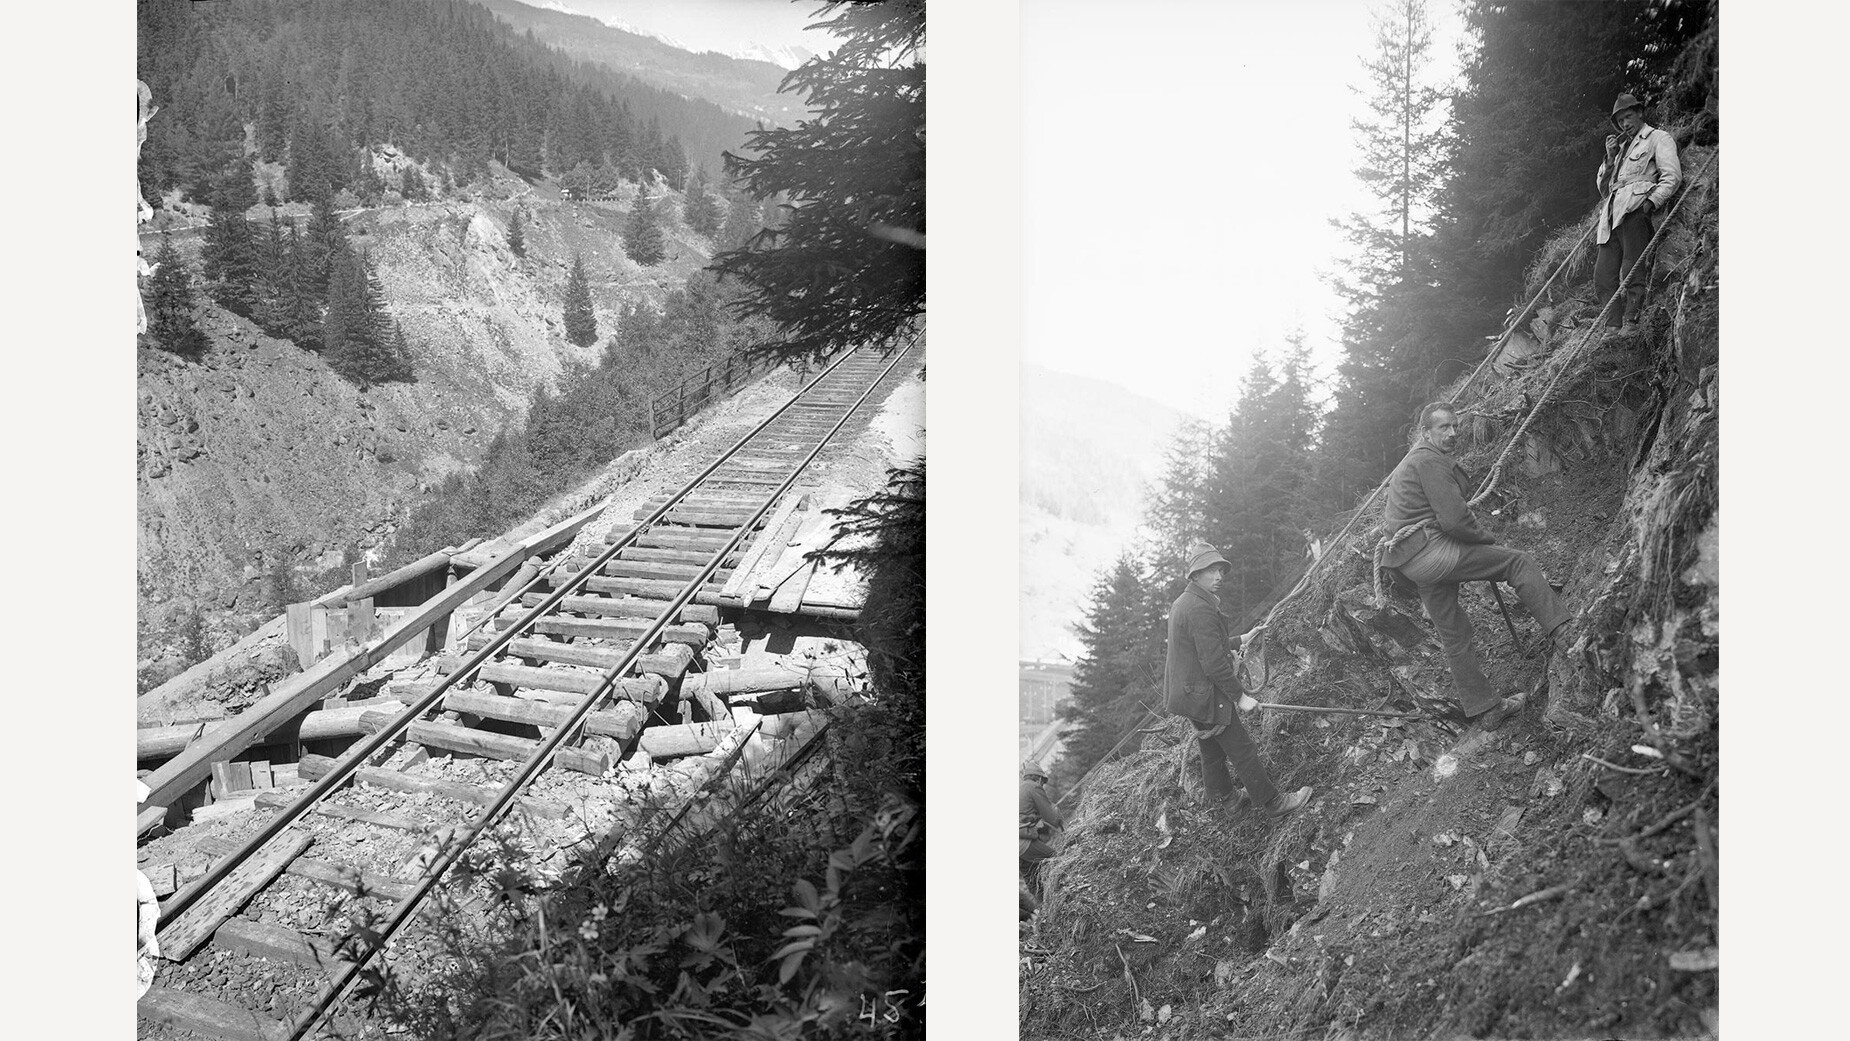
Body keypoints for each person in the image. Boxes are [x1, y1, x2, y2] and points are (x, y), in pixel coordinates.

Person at [1379, 403, 1572, 729]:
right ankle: (1565, 632)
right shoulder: (1429, 461)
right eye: (1444, 428)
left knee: (1455, 633)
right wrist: (1483, 537)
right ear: (1426, 432)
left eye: (1455, 426)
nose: (1452, 433)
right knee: (1517, 561)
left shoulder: (1412, 463)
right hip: (1430, 552)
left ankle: (1487, 709)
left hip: (1408, 562)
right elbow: (1454, 520)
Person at [1163, 544, 1311, 819]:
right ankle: (1274, 804)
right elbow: (1214, 662)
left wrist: (1243, 638)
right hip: (1204, 693)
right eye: (1210, 570)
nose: (1218, 576)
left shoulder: (1186, 602)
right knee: (1242, 748)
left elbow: (1206, 647)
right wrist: (1241, 698)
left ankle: (1229, 801)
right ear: (1195, 574)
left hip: (1189, 694)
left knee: (1211, 750)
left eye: (1220, 570)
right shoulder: (1199, 608)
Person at [1595, 93, 1681, 328]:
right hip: (1611, 218)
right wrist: (1610, 158)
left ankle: (1632, 322)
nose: (1625, 124)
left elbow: (1672, 176)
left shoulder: (1657, 138)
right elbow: (1604, 190)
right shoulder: (1620, 150)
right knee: (1602, 278)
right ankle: (1612, 327)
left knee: (1632, 269)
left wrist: (1651, 203)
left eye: (1629, 117)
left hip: (1635, 211)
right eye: (1621, 121)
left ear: (1640, 113)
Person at [1018, 760, 1063, 865]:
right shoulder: (1033, 786)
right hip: (1023, 842)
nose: (1042, 786)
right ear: (1038, 779)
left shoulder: (1021, 788)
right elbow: (1052, 818)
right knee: (1057, 859)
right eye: (1043, 782)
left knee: (1032, 878)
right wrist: (1055, 809)